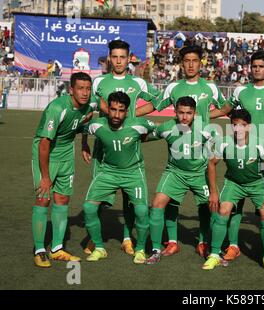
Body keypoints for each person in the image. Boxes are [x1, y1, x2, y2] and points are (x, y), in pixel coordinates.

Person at [136, 45, 228, 257]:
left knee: (207, 206)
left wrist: (204, 119)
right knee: (169, 202)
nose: (190, 64)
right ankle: (172, 241)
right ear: (181, 63)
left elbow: (225, 108)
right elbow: (155, 106)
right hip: (177, 153)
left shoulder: (210, 88)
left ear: (200, 63)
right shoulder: (173, 88)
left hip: (200, 154)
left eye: (194, 60)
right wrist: (128, 114)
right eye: (186, 60)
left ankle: (205, 242)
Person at [211, 50, 264, 262]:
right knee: (234, 205)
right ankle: (233, 245)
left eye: (261, 66)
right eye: (254, 66)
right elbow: (225, 110)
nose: (257, 69)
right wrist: (200, 115)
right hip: (241, 152)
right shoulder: (240, 92)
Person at [82, 40, 160, 256]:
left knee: (130, 197)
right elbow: (90, 110)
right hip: (103, 146)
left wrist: (134, 116)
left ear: (129, 58)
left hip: (127, 143)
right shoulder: (98, 83)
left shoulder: (138, 83)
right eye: (114, 57)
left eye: (122, 57)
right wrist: (84, 143)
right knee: (98, 197)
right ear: (110, 58)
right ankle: (94, 238)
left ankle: (127, 238)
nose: (118, 61)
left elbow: (159, 101)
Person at [82, 91, 156, 264]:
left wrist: (141, 138)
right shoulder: (98, 125)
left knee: (142, 211)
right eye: (113, 109)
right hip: (108, 172)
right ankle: (100, 248)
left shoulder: (138, 124)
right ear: (108, 109)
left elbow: (155, 129)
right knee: (88, 208)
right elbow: (83, 127)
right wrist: (83, 144)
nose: (116, 114)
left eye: (120, 110)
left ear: (127, 110)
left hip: (133, 173)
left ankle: (140, 250)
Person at [31, 72, 93, 267]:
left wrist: (84, 143)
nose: (85, 93)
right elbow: (43, 144)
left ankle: (57, 248)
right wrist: (46, 177)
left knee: (63, 199)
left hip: (66, 155)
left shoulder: (87, 107)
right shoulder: (57, 108)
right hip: (47, 155)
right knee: (44, 198)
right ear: (71, 90)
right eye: (81, 88)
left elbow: (84, 122)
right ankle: (40, 249)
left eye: (88, 88)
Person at [204, 109, 264, 272]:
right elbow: (211, 164)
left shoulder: (258, 143)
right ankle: (214, 255)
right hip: (234, 183)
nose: (238, 129)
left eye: (243, 125)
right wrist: (214, 192)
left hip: (256, 184)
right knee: (223, 211)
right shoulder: (223, 142)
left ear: (249, 127)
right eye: (235, 125)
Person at [145, 97, 215, 265]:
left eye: (189, 113)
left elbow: (219, 150)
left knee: (210, 207)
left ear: (195, 113)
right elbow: (145, 137)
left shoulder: (206, 129)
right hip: (175, 173)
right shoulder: (167, 128)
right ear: (175, 112)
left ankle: (203, 243)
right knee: (157, 204)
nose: (184, 117)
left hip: (199, 174)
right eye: (181, 113)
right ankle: (157, 249)